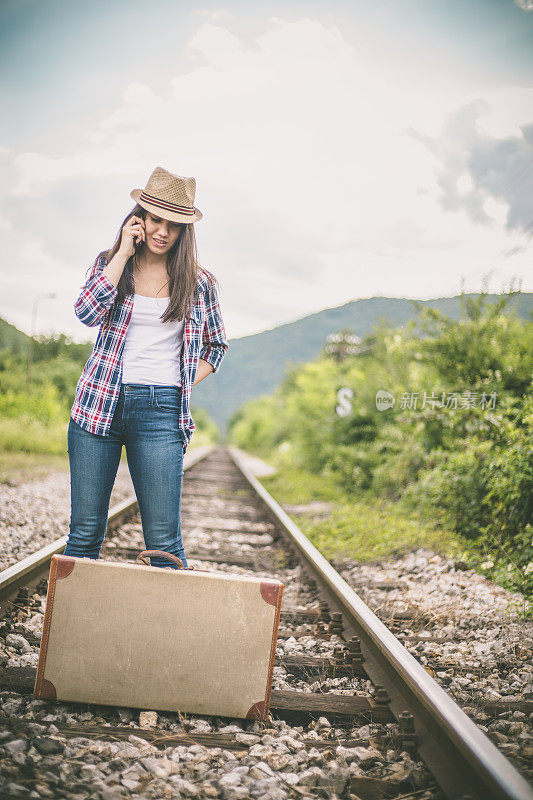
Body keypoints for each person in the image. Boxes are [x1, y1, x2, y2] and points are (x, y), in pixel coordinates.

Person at [64, 166, 229, 570]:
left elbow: (216, 345)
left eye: (174, 225)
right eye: (156, 219)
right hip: (98, 404)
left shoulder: (199, 282)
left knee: (165, 543)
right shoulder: (110, 264)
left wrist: (181, 379)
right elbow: (86, 312)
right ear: (139, 217)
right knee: (84, 534)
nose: (163, 232)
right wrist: (122, 253)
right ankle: (70, 631)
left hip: (160, 412)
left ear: (184, 231)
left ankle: (170, 634)